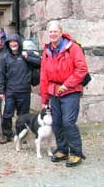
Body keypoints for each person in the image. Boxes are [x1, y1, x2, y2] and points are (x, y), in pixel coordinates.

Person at [40, 20, 88, 167]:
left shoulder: (72, 48)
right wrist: (44, 97)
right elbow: (44, 75)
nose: (53, 34)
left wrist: (67, 85)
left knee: (69, 122)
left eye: (55, 31)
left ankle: (76, 153)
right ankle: (62, 150)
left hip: (71, 91)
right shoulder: (47, 51)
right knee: (57, 123)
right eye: (50, 32)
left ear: (61, 32)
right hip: (54, 91)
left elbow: (82, 69)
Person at [0, 34, 41, 144]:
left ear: (19, 43)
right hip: (10, 91)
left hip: (24, 90)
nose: (13, 44)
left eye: (15, 42)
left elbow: (40, 63)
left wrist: (27, 57)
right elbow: (1, 75)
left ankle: (21, 135)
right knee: (7, 114)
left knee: (23, 115)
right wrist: (1, 91)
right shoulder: (5, 57)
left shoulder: (26, 54)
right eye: (10, 42)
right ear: (8, 44)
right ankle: (6, 134)